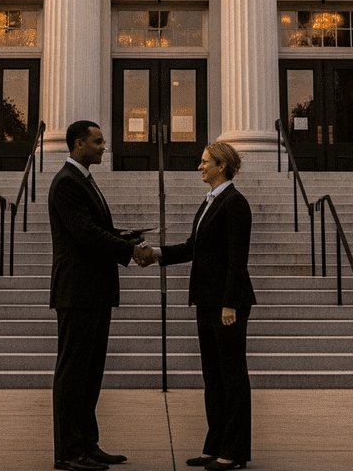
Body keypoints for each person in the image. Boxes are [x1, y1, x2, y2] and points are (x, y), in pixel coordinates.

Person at [49, 119, 153, 471]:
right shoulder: (66, 182)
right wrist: (129, 252)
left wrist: (127, 238)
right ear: (78, 144)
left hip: (95, 290)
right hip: (77, 291)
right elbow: (85, 234)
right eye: (97, 142)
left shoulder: (83, 181)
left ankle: (88, 444)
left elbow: (97, 230)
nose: (103, 146)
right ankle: (68, 451)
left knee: (90, 374)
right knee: (73, 373)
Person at [146, 140, 256, 471]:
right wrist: (156, 255)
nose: (200, 166)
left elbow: (238, 259)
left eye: (206, 161)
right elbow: (194, 247)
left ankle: (234, 450)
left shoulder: (235, 203)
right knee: (213, 375)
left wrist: (230, 304)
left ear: (222, 166)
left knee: (232, 375)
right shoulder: (210, 202)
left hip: (226, 304)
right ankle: (214, 445)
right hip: (207, 300)